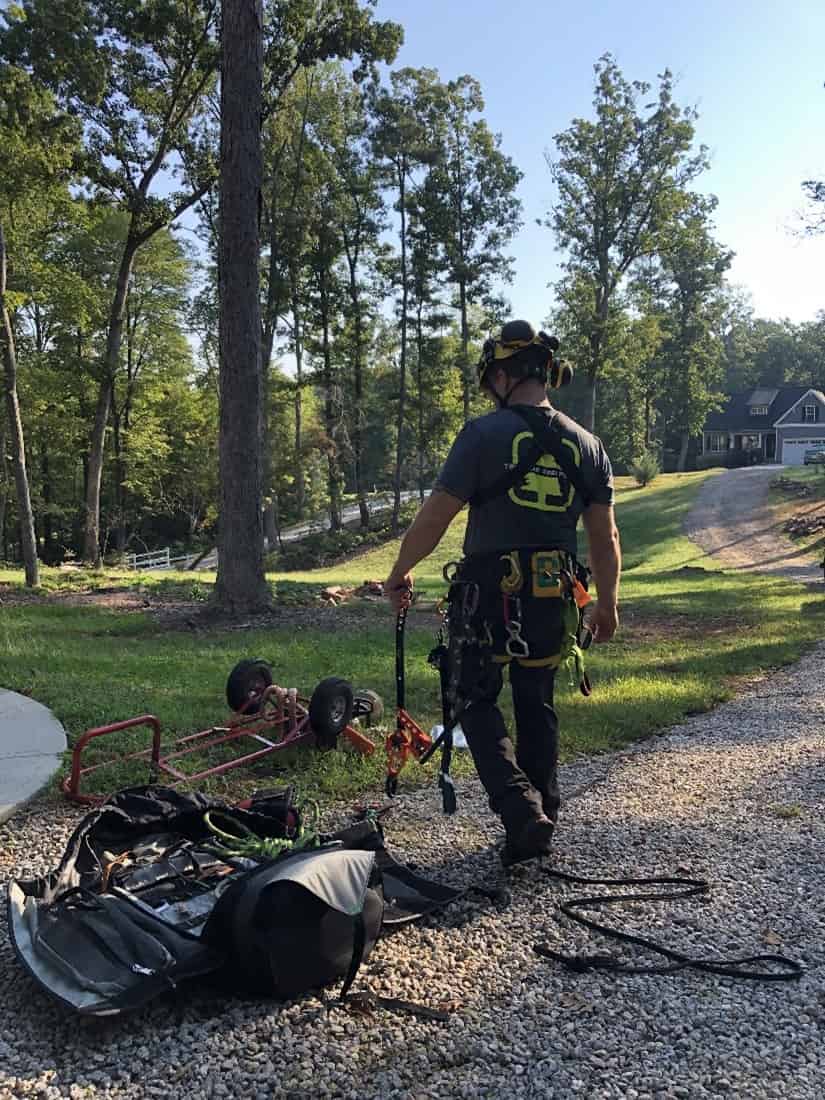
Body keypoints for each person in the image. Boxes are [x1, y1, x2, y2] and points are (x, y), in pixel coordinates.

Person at [384, 319, 621, 864]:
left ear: (507, 374)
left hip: (488, 591)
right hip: (554, 590)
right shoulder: (589, 445)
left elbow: (437, 514)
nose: (490, 388)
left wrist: (400, 571)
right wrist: (607, 601)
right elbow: (604, 535)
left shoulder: (481, 435)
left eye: (492, 376)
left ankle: (519, 808)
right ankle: (540, 816)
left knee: (471, 696)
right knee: (535, 701)